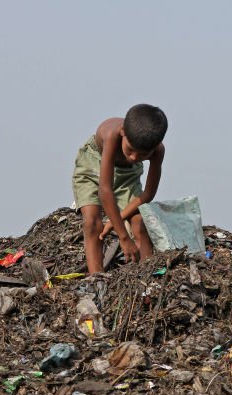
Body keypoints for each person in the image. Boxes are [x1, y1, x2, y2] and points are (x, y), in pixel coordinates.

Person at [72, 104, 168, 273]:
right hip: (94, 164)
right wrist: (123, 237)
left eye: (142, 155)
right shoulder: (112, 135)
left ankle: (147, 276)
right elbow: (105, 191)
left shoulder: (158, 151)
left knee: (139, 222)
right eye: (130, 150)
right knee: (92, 222)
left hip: (128, 177)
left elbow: (148, 193)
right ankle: (97, 279)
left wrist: (115, 221)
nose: (133, 157)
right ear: (123, 131)